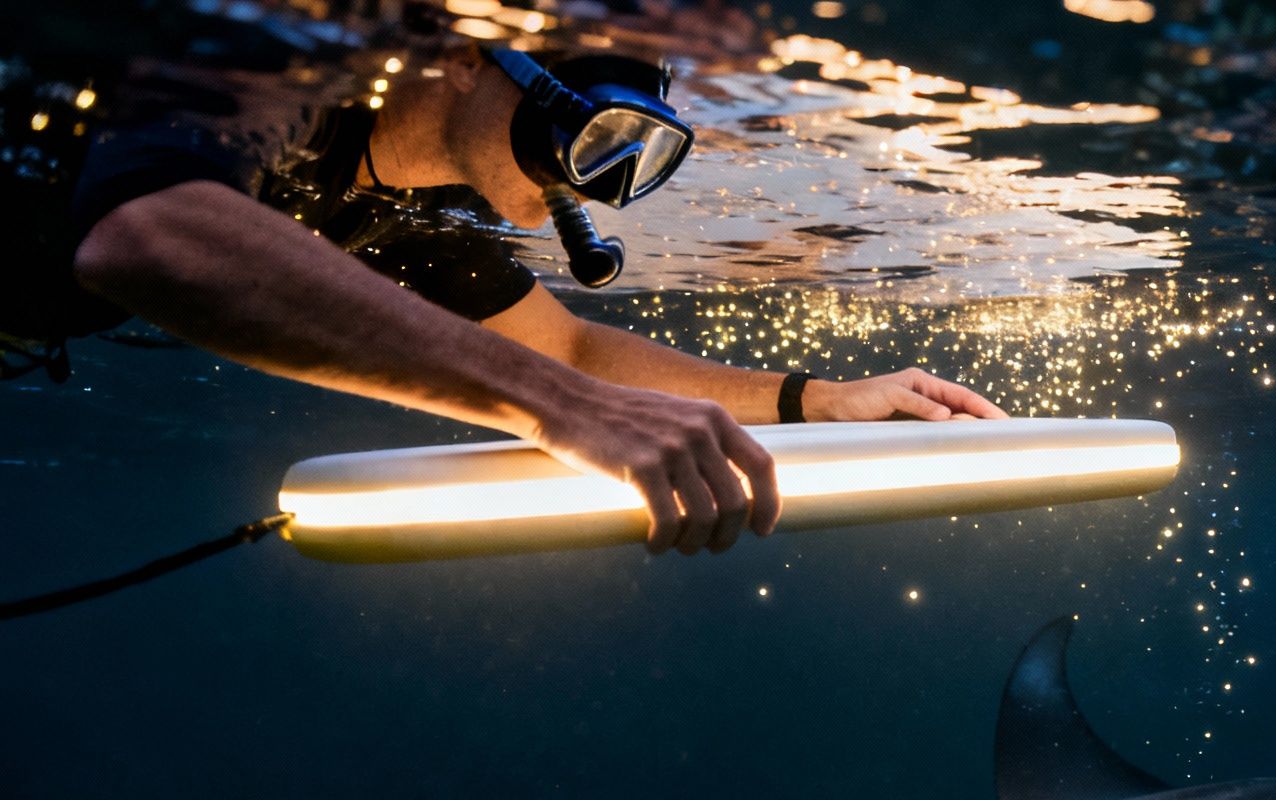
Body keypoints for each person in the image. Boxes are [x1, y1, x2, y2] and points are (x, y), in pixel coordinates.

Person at [40, 29, 1005, 557]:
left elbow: (575, 351)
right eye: (596, 133)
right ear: (468, 54)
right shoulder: (271, 67)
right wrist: (559, 412)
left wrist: (819, 403)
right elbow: (145, 232)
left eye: (641, 157)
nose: (604, 183)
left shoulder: (388, 214)